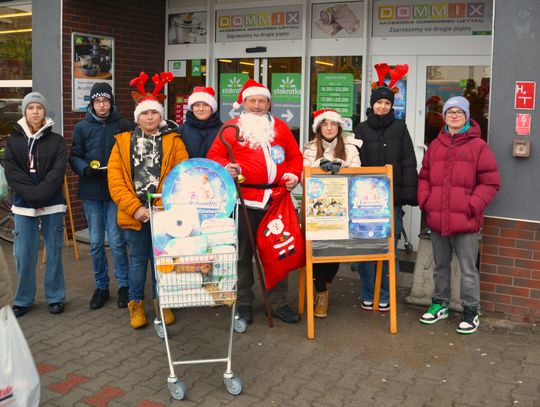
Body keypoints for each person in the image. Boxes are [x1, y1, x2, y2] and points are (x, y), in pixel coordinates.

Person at [207, 79, 303, 324]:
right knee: (242, 255)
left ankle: (279, 302)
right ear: (244, 103)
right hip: (243, 200)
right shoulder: (230, 128)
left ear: (269, 103)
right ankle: (244, 302)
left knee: (278, 250)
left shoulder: (281, 128)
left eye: (262, 101)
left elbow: (294, 157)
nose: (258, 105)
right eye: (253, 101)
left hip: (276, 200)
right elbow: (214, 156)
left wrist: (293, 175)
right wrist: (225, 167)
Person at [108, 71, 189, 329]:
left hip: (164, 214)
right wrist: (137, 209)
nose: (150, 117)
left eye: (154, 112)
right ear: (137, 117)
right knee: (138, 260)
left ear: (160, 115)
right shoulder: (121, 143)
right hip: (136, 214)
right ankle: (136, 305)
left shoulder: (174, 141)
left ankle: (162, 303)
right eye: (145, 113)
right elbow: (116, 182)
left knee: (162, 261)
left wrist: (161, 208)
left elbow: (181, 175)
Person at [418, 96, 500, 334]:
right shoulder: (436, 144)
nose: (454, 116)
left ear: (466, 116)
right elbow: (424, 177)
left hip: (465, 219)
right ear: (444, 116)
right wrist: (426, 201)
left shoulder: (478, 146)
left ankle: (471, 311)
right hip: (437, 218)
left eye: (458, 112)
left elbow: (490, 183)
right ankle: (440, 304)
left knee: (467, 269)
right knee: (440, 266)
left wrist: (472, 205)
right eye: (450, 112)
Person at [353, 64, 418, 312]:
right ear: (372, 104)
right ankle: (368, 293)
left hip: (392, 199)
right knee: (368, 249)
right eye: (379, 103)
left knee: (389, 249)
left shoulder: (399, 128)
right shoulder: (361, 128)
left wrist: (407, 195)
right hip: (366, 203)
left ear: (392, 106)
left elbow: (409, 160)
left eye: (387, 103)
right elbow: (354, 162)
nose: (383, 106)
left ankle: (386, 293)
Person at [4, 92, 67, 317]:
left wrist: (40, 196)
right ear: (24, 111)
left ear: (44, 111)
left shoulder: (57, 141)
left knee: (54, 252)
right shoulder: (14, 142)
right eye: (30, 107)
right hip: (23, 205)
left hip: (52, 204)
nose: (35, 111)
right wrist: (32, 197)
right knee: (23, 253)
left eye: (39, 107)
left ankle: (55, 297)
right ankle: (23, 299)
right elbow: (12, 173)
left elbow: (57, 173)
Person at [69, 83, 130, 310]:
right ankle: (101, 287)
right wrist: (85, 168)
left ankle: (124, 286)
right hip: (91, 191)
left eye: (105, 100)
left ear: (111, 102)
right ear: (92, 103)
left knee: (116, 242)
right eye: (97, 101)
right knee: (95, 243)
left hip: (116, 192)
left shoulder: (123, 125)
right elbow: (74, 156)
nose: (102, 105)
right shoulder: (82, 127)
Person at [303, 108, 362, 318]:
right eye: (325, 124)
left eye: (333, 124)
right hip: (317, 212)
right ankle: (321, 293)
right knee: (318, 251)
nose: (329, 128)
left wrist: (342, 166)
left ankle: (323, 284)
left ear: (339, 127)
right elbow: (303, 176)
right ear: (319, 127)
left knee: (334, 253)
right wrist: (319, 166)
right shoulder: (310, 148)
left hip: (341, 209)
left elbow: (357, 172)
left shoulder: (350, 147)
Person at [179, 86, 222, 158]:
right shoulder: (181, 131)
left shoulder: (223, 130)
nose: (201, 109)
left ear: (212, 108)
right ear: (192, 108)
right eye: (197, 105)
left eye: (205, 105)